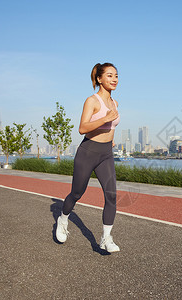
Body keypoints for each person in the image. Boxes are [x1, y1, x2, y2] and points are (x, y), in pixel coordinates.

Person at [56, 62, 120, 252]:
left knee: (111, 195)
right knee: (77, 193)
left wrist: (111, 139)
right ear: (99, 79)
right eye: (109, 75)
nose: (114, 79)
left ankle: (106, 238)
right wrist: (104, 119)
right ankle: (62, 219)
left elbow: (113, 126)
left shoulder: (115, 103)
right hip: (88, 152)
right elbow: (83, 127)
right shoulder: (92, 101)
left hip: (106, 153)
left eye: (116, 75)